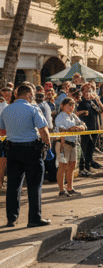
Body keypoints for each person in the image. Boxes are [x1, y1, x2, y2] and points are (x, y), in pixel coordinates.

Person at [0, 84, 53, 227]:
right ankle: (34, 219)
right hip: (31, 150)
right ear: (29, 95)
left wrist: (15, 133)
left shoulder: (6, 110)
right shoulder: (33, 109)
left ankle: (11, 217)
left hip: (12, 150)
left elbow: (2, 131)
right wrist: (48, 146)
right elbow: (43, 130)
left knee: (13, 185)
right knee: (34, 185)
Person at [55, 98, 85, 196]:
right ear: (63, 106)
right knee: (62, 167)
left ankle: (70, 187)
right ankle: (61, 189)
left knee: (72, 166)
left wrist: (79, 127)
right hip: (64, 143)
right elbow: (60, 129)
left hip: (74, 143)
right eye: (68, 105)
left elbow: (82, 125)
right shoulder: (60, 117)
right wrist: (71, 129)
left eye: (72, 105)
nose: (71, 107)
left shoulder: (73, 116)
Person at [76, 84, 103, 176]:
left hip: (95, 128)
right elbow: (76, 114)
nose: (88, 93)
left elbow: (102, 111)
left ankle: (88, 166)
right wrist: (83, 112)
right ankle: (82, 168)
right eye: (86, 91)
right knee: (84, 149)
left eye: (90, 91)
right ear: (83, 92)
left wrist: (98, 101)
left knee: (91, 149)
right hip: (86, 129)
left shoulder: (94, 102)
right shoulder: (81, 103)